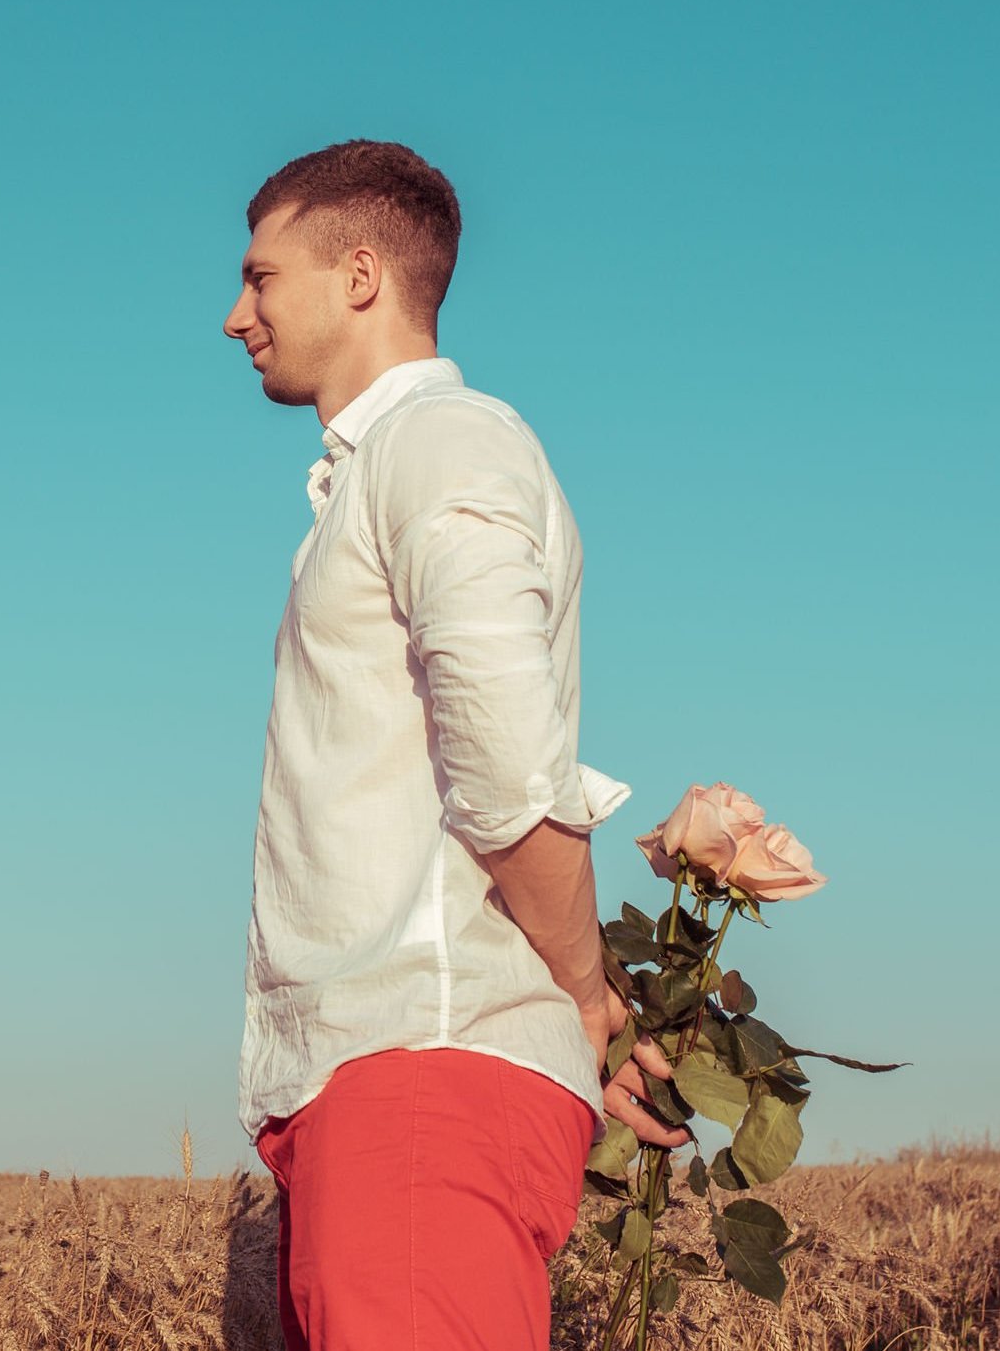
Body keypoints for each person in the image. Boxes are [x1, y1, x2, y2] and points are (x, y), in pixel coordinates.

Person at [223, 142, 687, 1349]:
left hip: (423, 1083)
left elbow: (504, 765)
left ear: (359, 274)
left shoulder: (442, 446)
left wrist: (587, 1001)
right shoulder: (385, 472)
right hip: (383, 1088)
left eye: (260, 279)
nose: (234, 317)